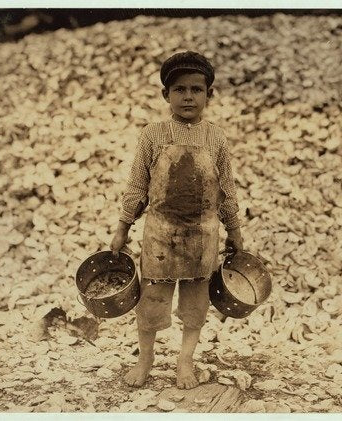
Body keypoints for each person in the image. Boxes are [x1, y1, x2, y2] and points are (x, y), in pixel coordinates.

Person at [110, 51, 243, 389]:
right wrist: (122, 228)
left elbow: (226, 189)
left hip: (203, 236)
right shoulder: (153, 135)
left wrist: (236, 232)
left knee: (196, 302)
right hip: (160, 234)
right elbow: (137, 186)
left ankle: (185, 361)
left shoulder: (216, 138)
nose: (188, 97)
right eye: (179, 89)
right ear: (165, 95)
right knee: (151, 300)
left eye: (196, 89)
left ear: (209, 95)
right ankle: (146, 359)